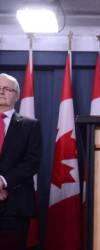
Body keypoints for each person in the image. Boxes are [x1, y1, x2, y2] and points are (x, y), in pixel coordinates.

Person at [0, 73, 41, 250]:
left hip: (15, 207)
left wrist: (2, 181)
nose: (1, 92)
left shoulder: (30, 125)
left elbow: (32, 162)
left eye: (7, 89)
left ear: (17, 95)